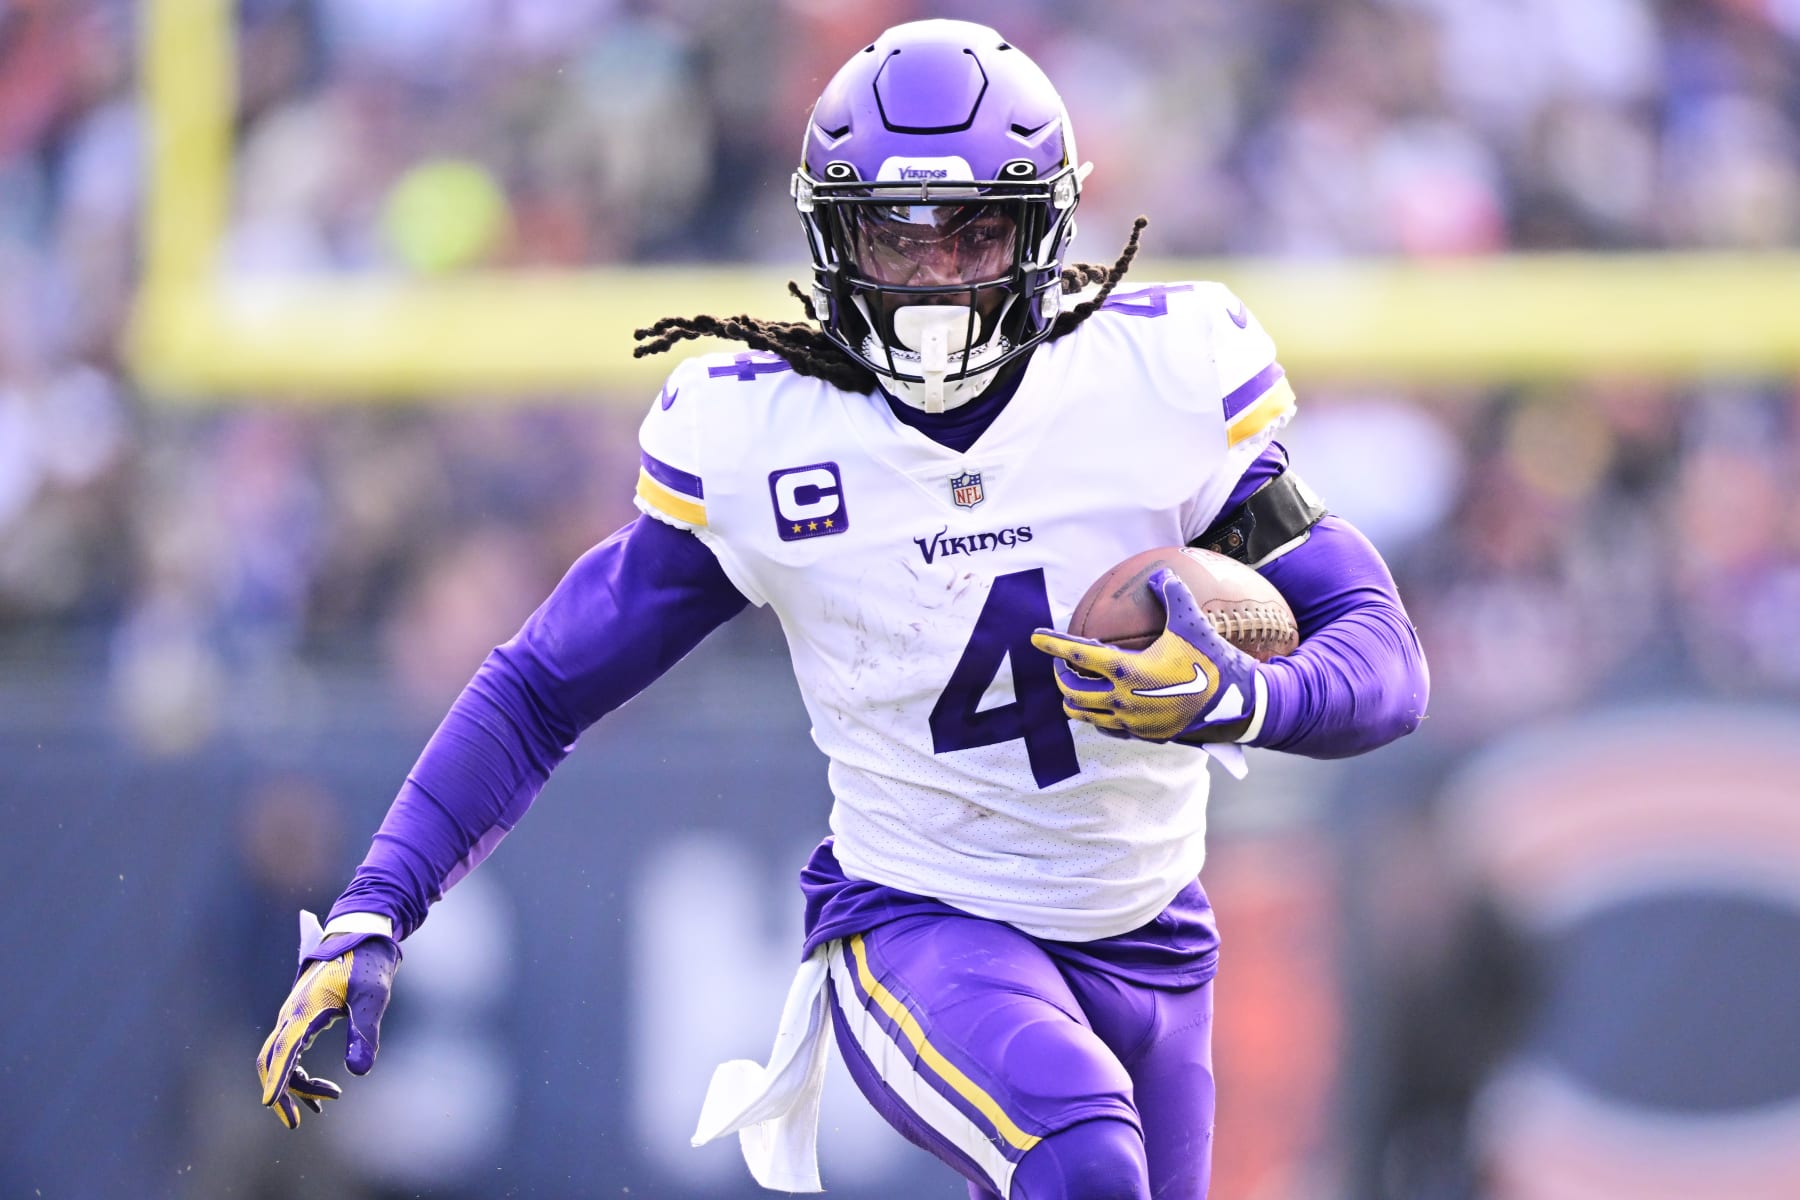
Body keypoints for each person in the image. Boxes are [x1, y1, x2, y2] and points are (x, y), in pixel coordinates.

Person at [255, 19, 1429, 1200]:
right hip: (921, 924)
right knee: (1083, 1162)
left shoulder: (1153, 384)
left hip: (1151, 939)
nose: (930, 279)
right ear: (829, 236)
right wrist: (377, 905)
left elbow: (1385, 661)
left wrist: (1244, 697)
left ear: (1046, 231)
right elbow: (541, 687)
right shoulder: (769, 439)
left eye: (972, 232)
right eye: (892, 236)